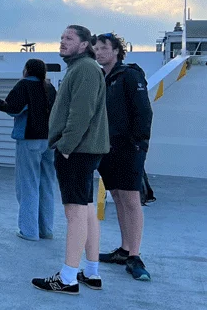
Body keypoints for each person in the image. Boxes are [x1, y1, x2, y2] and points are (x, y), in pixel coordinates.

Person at [31, 25, 109, 294]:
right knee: (86, 210)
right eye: (61, 37)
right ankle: (92, 271)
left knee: (74, 213)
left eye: (69, 38)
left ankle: (67, 278)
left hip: (77, 152)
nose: (62, 42)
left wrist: (65, 146)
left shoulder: (85, 69)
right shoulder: (82, 68)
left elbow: (81, 113)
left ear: (85, 44)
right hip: (83, 150)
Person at [93, 32, 153, 281]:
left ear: (117, 50)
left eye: (103, 48)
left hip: (129, 149)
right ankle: (124, 249)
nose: (98, 52)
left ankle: (135, 256)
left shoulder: (129, 75)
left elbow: (143, 112)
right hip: (107, 148)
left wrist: (138, 144)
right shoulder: (102, 78)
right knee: (117, 196)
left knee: (131, 199)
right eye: (96, 48)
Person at [0, 59, 57, 241]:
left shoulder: (24, 85)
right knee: (47, 185)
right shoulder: (49, 88)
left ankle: (29, 231)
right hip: (50, 141)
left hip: (29, 141)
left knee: (28, 185)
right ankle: (46, 230)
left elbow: (13, 109)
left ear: (26, 69)